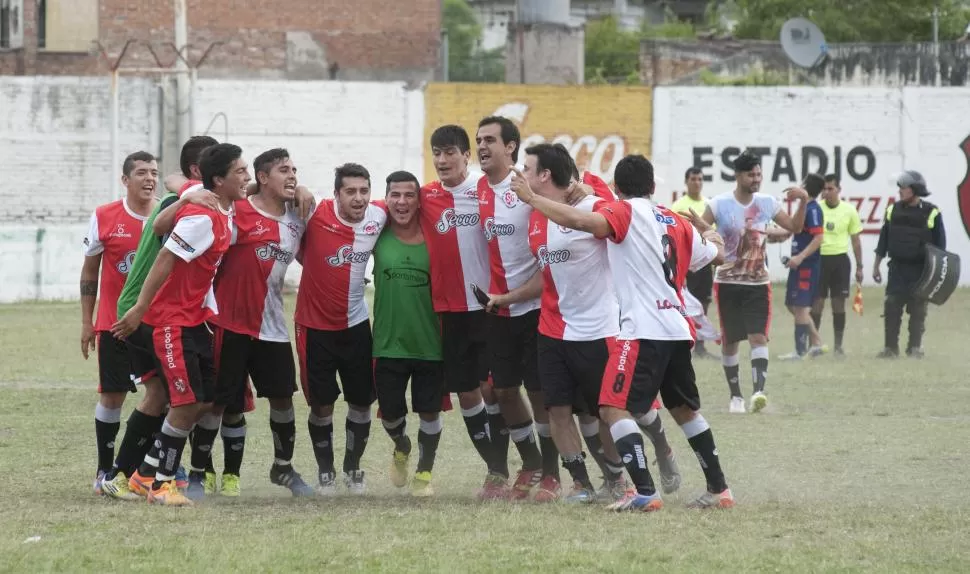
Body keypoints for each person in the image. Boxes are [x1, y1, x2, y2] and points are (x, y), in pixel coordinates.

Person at [509, 153, 734, 511]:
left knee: (612, 408)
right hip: (677, 328)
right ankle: (719, 490)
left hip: (643, 330)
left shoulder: (622, 212)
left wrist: (534, 200)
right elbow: (719, 256)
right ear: (653, 186)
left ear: (616, 187)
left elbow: (586, 224)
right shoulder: (675, 220)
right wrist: (710, 232)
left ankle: (644, 492)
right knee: (684, 410)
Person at [495, 143, 675, 503]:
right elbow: (546, 277)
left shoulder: (595, 207)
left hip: (600, 330)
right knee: (557, 410)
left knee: (610, 413)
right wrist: (507, 297)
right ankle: (581, 484)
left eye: (527, 168)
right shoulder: (534, 217)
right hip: (552, 330)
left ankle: (636, 467)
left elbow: (620, 217)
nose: (521, 174)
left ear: (545, 175)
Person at [110, 142, 249, 506]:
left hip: (194, 321)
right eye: (241, 171)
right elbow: (166, 259)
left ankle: (143, 475)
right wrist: (140, 308)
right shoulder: (202, 216)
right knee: (183, 402)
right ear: (218, 180)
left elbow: (176, 184)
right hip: (171, 322)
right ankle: (161, 484)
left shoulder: (219, 206)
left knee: (202, 400)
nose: (247, 178)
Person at [180, 148, 314, 499]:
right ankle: (198, 473)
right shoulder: (235, 213)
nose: (293, 175)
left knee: (283, 399)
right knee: (217, 402)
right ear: (263, 178)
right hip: (229, 324)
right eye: (284, 170)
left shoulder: (298, 219)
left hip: (272, 327)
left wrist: (303, 191)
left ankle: (282, 468)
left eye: (295, 169)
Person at [419, 125, 508, 499]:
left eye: (450, 152)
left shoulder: (486, 189)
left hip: (489, 306)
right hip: (449, 309)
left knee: (495, 389)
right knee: (467, 392)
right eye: (437, 152)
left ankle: (513, 467)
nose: (442, 160)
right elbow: (386, 205)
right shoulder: (424, 197)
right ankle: (495, 471)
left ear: (466, 156)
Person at [476, 116, 559, 501]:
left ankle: (552, 474)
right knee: (503, 390)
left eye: (490, 140)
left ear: (510, 147)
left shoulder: (526, 189)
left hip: (536, 309)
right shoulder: (475, 188)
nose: (481, 146)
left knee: (541, 393)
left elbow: (572, 194)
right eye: (478, 140)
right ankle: (530, 462)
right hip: (497, 312)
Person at [294, 163, 387, 495]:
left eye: (364, 190)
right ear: (336, 194)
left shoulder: (380, 216)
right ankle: (326, 472)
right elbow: (265, 194)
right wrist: (300, 188)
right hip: (314, 328)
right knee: (321, 405)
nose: (358, 198)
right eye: (350, 191)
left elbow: (412, 204)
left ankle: (352, 468)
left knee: (361, 402)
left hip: (357, 325)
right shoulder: (313, 210)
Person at [702, 150, 809, 414]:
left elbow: (794, 227)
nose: (756, 179)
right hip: (727, 282)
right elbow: (698, 230)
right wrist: (706, 240)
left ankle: (758, 393)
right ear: (738, 175)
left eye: (759, 174)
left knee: (758, 337)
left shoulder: (767, 203)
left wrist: (804, 201)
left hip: (758, 283)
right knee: (730, 340)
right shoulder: (718, 204)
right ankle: (736, 396)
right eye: (751, 174)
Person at [81, 151, 158, 493]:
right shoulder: (104, 216)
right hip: (114, 324)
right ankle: (104, 470)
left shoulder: (168, 214)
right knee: (112, 396)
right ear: (125, 180)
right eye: (141, 172)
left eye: (154, 172)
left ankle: (148, 467)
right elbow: (89, 273)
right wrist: (87, 322)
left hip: (158, 323)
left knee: (163, 395)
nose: (149, 179)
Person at [373, 170, 445, 497]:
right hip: (387, 344)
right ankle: (401, 444)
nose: (401, 202)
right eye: (395, 195)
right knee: (390, 412)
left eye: (409, 195)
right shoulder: (376, 231)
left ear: (419, 201)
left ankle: (425, 472)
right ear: (386, 199)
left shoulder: (436, 236)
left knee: (429, 411)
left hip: (430, 344)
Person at [873, 170, 946, 358]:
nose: (900, 191)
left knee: (917, 310)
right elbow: (884, 239)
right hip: (897, 269)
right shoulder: (892, 210)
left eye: (903, 188)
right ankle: (890, 348)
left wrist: (936, 274)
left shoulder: (932, 212)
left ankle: (914, 348)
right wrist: (876, 265)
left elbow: (940, 247)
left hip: (921, 271)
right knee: (891, 307)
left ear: (915, 190)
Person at [812, 174, 864, 355]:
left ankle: (838, 346)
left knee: (838, 304)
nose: (826, 192)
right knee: (817, 303)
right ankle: (815, 344)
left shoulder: (849, 211)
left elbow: (856, 240)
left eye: (830, 189)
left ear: (838, 190)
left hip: (840, 261)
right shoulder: (816, 209)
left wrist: (859, 266)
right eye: (824, 189)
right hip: (820, 260)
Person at [779, 174, 827, 360]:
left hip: (806, 265)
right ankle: (816, 343)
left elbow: (819, 238)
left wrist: (799, 257)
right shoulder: (804, 208)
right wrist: (765, 232)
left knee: (799, 307)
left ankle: (799, 352)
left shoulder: (813, 210)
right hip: (798, 266)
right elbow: (791, 229)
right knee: (792, 305)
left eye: (801, 184)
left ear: (805, 188)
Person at [672, 167, 718, 359]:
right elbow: (673, 234)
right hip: (685, 260)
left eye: (700, 179)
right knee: (682, 301)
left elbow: (713, 233)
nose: (697, 182)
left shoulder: (709, 205)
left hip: (704, 261)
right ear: (686, 181)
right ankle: (685, 339)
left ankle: (700, 345)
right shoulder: (678, 205)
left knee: (703, 301)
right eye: (693, 179)